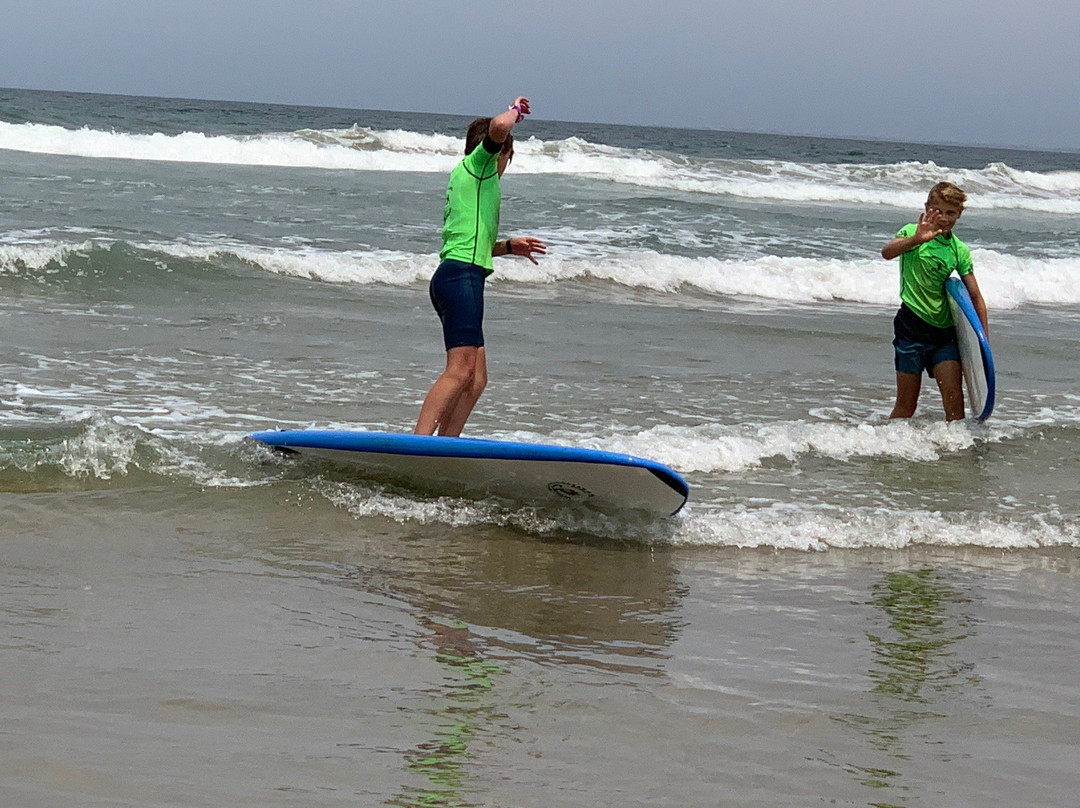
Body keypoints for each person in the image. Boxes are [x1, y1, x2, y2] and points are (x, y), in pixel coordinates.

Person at [414, 97, 546, 436]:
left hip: (460, 275)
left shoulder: (469, 181)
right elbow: (500, 127)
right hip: (460, 277)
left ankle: (446, 444)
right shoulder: (480, 166)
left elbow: (476, 244)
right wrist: (515, 109)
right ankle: (418, 445)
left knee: (477, 379)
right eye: (507, 157)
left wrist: (508, 247)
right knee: (459, 372)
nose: (506, 166)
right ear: (496, 154)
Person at [880, 181, 988, 421]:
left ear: (959, 214)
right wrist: (917, 239)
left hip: (944, 334)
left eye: (951, 213)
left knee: (955, 406)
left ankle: (958, 455)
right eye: (939, 211)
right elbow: (887, 253)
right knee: (906, 405)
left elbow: (974, 297)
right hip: (910, 329)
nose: (945, 218)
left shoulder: (959, 250)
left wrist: (983, 343)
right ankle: (887, 449)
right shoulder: (911, 232)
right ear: (928, 207)